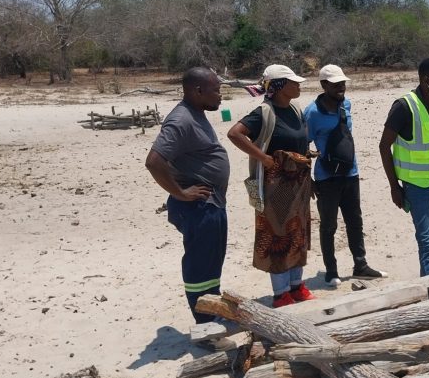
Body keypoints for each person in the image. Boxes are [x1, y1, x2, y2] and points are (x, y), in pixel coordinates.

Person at [144, 67, 229, 324]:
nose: (220, 97)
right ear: (197, 91)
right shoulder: (180, 120)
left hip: (210, 204)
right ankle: (204, 324)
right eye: (216, 91)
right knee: (199, 266)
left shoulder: (196, 113)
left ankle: (212, 313)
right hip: (198, 207)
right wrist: (180, 192)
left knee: (211, 264)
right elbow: (154, 161)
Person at [227, 64, 315, 307]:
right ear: (278, 87)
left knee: (298, 234)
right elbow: (235, 134)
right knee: (278, 235)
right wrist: (263, 158)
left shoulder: (296, 110)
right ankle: (281, 293)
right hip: (274, 185)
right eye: (293, 82)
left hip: (298, 185)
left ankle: (297, 286)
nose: (298, 86)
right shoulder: (264, 112)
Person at [304, 64, 387, 286]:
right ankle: (331, 271)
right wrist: (308, 180)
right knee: (328, 225)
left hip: (351, 173)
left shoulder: (346, 105)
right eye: (335, 83)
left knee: (355, 221)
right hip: (326, 178)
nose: (341, 86)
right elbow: (302, 145)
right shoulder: (311, 113)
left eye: (343, 82)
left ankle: (361, 265)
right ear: (323, 85)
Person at [379, 57, 429, 276]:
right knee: (426, 239)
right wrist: (394, 186)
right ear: (424, 79)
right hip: (416, 186)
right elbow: (383, 146)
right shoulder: (403, 106)